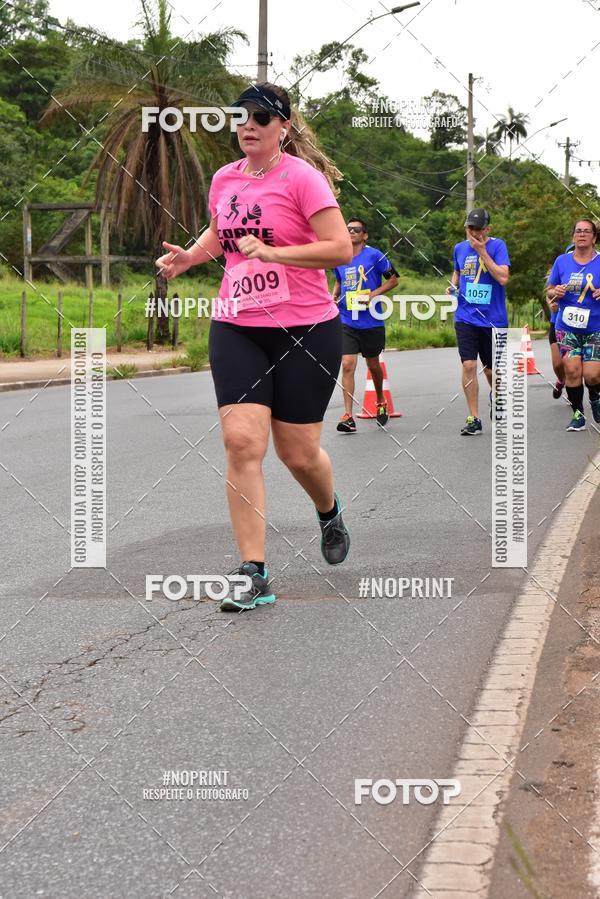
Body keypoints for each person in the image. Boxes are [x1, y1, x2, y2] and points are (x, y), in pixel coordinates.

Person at [155, 82, 353, 611]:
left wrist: (274, 253)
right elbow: (222, 233)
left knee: (298, 452)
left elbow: (338, 249)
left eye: (261, 119)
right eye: (241, 117)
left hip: (306, 328)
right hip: (237, 322)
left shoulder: (303, 179)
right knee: (243, 442)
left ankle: (328, 510)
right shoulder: (225, 179)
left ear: (283, 128)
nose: (248, 125)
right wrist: (189, 258)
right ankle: (254, 572)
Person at [447, 208, 510, 435]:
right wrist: (453, 287)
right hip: (466, 317)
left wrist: (482, 252)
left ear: (487, 229)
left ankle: (498, 396)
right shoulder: (459, 248)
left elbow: (503, 278)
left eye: (477, 228)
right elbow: (457, 272)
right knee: (469, 365)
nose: (472, 233)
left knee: (492, 371)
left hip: (493, 319)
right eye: (469, 228)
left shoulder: (498, 246)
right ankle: (473, 417)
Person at [332, 218, 399, 431]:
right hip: (347, 318)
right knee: (347, 363)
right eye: (348, 229)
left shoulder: (375, 255)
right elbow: (339, 281)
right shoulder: (340, 256)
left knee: (373, 365)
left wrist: (373, 294)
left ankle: (380, 400)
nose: (351, 232)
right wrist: (334, 296)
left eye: (356, 229)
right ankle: (348, 416)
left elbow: (393, 279)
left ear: (365, 235)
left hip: (371, 321)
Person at [546, 220, 600, 430]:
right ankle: (578, 413)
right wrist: (555, 292)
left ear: (594, 237)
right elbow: (550, 289)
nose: (582, 235)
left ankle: (595, 397)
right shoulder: (562, 261)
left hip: (595, 326)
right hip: (566, 326)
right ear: (573, 236)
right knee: (571, 370)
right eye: (578, 231)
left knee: (592, 374)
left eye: (587, 231)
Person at [546, 242, 572, 400]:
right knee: (558, 364)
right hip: (557, 323)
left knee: (573, 365)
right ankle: (561, 380)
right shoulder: (560, 271)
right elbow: (549, 294)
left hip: (582, 327)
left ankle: (582, 393)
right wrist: (552, 305)